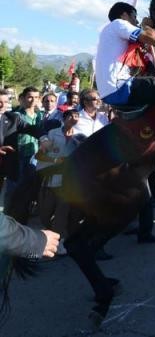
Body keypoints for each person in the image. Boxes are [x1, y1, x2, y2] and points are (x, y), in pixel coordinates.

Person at [36, 109, 84, 256]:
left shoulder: (80, 137)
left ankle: (59, 241)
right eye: (71, 116)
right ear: (64, 118)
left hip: (68, 183)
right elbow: (39, 155)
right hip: (50, 180)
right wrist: (56, 161)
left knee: (61, 213)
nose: (74, 118)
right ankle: (55, 235)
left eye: (77, 116)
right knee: (44, 214)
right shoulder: (52, 134)